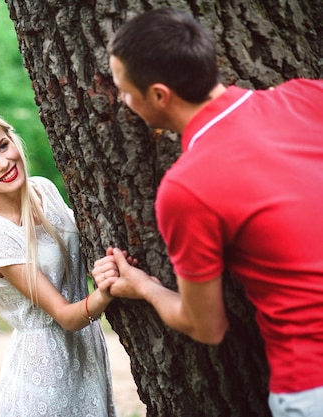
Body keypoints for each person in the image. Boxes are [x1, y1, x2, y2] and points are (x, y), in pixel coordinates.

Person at [92, 8, 323, 417]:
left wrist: (143, 286)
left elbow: (206, 326)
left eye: (125, 91)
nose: (123, 101)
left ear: (160, 96)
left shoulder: (186, 189)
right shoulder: (308, 95)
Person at [0, 110, 125, 416]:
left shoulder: (44, 190)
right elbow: (66, 316)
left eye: (2, 146)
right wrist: (105, 292)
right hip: (44, 377)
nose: (2, 163)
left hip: (86, 356)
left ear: (13, 139)